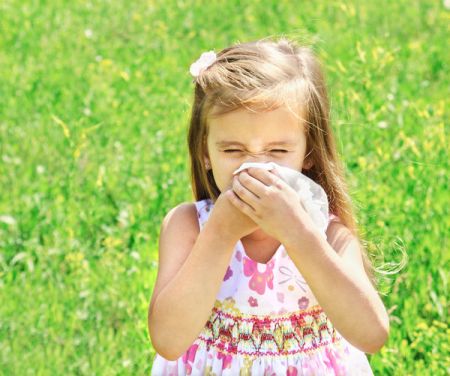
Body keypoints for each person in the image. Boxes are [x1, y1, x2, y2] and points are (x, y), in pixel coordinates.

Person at [148, 36, 390, 375]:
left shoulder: (326, 231)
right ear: (205, 151)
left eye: (277, 152)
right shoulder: (188, 225)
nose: (256, 167)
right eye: (233, 150)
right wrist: (220, 233)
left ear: (308, 154)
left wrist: (298, 234)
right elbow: (168, 340)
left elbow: (372, 335)